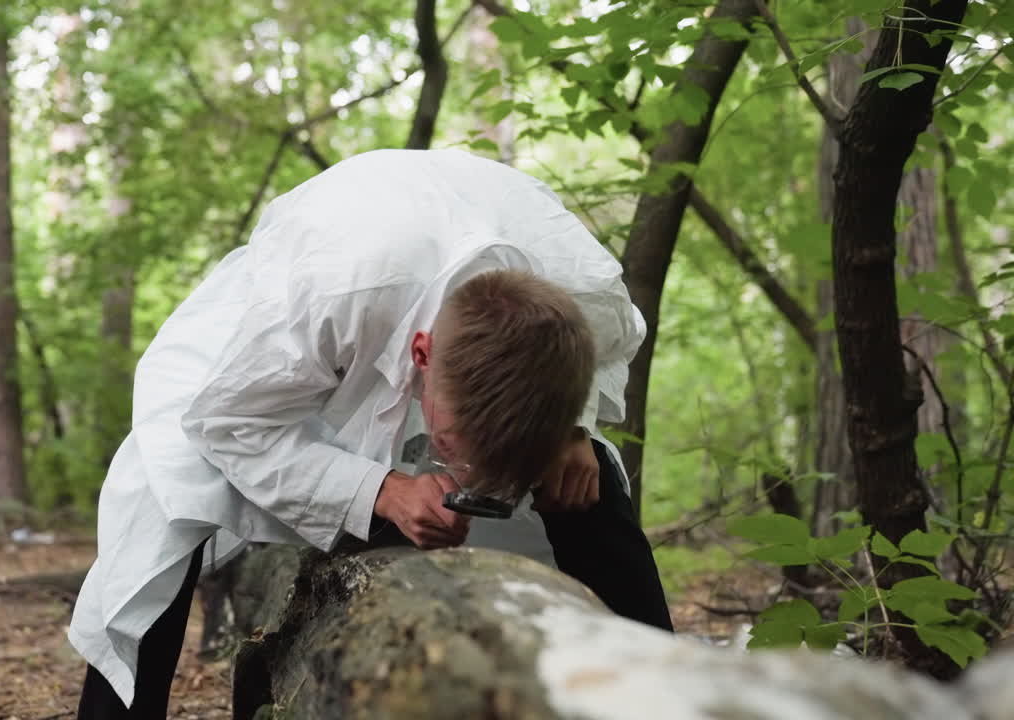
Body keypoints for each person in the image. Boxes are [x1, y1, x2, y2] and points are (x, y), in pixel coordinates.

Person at [69, 148, 672, 719]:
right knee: (165, 507)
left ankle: (669, 690)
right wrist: (382, 491)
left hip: (437, 323)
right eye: (456, 445)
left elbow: (602, 360)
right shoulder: (331, 295)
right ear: (421, 354)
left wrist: (571, 426)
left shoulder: (585, 290)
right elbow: (228, 422)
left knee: (581, 475)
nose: (470, 479)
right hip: (260, 365)